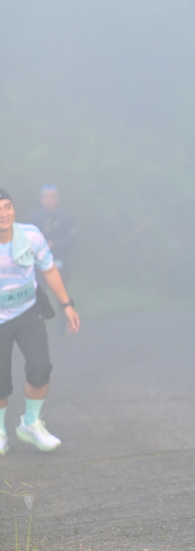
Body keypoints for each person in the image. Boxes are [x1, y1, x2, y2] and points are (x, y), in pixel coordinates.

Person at [0, 189, 80, 455]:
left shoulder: (31, 235)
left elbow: (49, 269)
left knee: (41, 368)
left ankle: (31, 424)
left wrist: (67, 305)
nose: (4, 214)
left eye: (8, 207)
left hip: (28, 312)